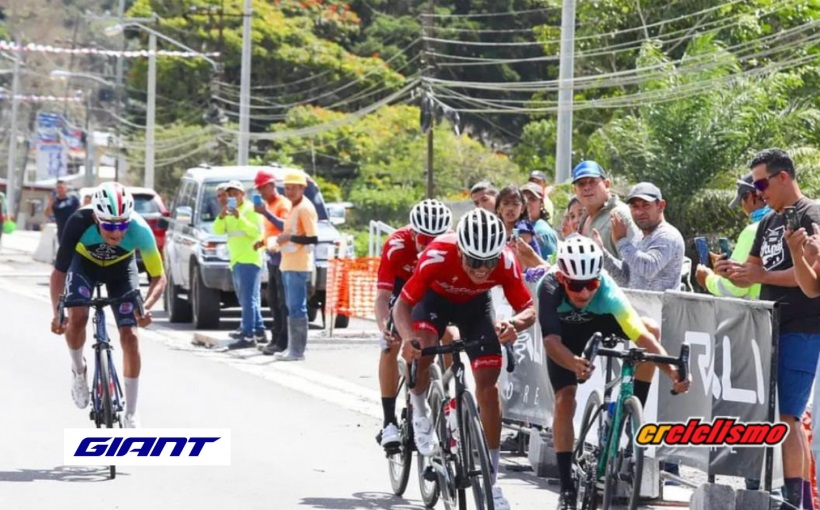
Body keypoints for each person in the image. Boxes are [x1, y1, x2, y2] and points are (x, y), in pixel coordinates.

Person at [393, 208, 536, 510]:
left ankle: (492, 480)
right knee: (424, 346)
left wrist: (515, 324)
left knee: (488, 383)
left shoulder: (506, 261)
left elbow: (528, 308)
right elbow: (402, 306)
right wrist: (408, 339)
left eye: (488, 262)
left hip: (475, 309)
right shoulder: (437, 255)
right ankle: (419, 407)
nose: (482, 270)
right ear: (460, 251)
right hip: (434, 303)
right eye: (474, 261)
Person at [539, 236, 690, 509]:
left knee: (650, 330)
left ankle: (632, 409)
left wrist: (672, 372)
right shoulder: (548, 286)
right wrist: (573, 363)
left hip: (600, 323)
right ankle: (567, 488)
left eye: (591, 284)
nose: (584, 293)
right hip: (564, 339)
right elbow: (550, 342)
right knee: (565, 401)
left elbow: (641, 335)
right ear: (562, 278)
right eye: (576, 285)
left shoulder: (606, 289)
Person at [727, 148, 820, 510]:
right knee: (766, 414)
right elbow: (750, 271)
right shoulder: (767, 222)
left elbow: (808, 279)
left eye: (762, 182)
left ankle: (798, 500)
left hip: (802, 326)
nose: (758, 190)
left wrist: (762, 274)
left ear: (784, 177)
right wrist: (729, 271)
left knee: (789, 415)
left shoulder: (812, 214)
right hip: (766, 326)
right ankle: (778, 491)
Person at [49, 182, 166, 428]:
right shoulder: (78, 222)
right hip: (85, 267)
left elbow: (159, 277)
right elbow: (59, 273)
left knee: (131, 337)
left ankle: (131, 413)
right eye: (110, 225)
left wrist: (146, 307)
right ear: (95, 217)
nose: (117, 233)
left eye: (122, 224)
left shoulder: (140, 229)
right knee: (77, 317)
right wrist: (57, 313)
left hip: (121, 271)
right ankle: (78, 370)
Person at [374, 199, 453, 449]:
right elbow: (384, 297)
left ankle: (448, 396)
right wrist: (383, 324)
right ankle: (388, 422)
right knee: (391, 342)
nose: (429, 245)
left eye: (435, 239)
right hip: (403, 292)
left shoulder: (452, 245)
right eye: (423, 238)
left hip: (432, 292)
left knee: (451, 336)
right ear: (412, 232)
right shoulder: (397, 244)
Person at [592, 182, 685, 292]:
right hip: (638, 308)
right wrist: (601, 253)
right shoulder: (638, 237)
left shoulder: (668, 235)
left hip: (662, 309)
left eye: (646, 205)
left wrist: (621, 241)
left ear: (661, 206)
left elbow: (648, 268)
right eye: (634, 206)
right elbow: (625, 278)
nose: (639, 212)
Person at [696, 173, 769, 299]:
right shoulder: (790, 223)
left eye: (742, 202)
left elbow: (735, 289)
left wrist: (707, 279)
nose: (743, 208)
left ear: (751, 197)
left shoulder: (753, 231)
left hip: (760, 314)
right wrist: (727, 267)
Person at [214, 180, 266, 350]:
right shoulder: (228, 211)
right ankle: (258, 330)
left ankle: (248, 334)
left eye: (236, 193)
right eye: (230, 194)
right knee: (248, 298)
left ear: (243, 194)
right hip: (236, 259)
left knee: (248, 299)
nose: (233, 197)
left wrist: (239, 217)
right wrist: (221, 216)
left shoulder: (251, 209)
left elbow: (256, 232)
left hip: (249, 258)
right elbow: (218, 230)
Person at [275, 170, 319, 362]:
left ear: (303, 188)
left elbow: (313, 238)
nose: (290, 191)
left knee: (297, 307)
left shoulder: (305, 208)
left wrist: (289, 237)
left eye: (294, 188)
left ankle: (297, 351)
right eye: (287, 188)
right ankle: (292, 348)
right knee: (290, 306)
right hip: (288, 262)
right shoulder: (293, 207)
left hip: (299, 264)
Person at [573, 161, 640, 285]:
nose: (587, 187)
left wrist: (601, 253)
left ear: (607, 184)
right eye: (581, 184)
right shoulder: (584, 216)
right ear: (575, 190)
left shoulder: (621, 215)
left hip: (617, 299)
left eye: (592, 181)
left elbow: (634, 272)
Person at [252, 170, 293, 356]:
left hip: (284, 258)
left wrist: (266, 213)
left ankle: (283, 341)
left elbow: (285, 227)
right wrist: (261, 242)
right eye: (258, 189)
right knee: (274, 300)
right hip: (273, 258)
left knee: (282, 301)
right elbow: (271, 232)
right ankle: (276, 339)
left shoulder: (282, 204)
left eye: (262, 188)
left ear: (271, 185)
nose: (260, 192)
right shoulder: (269, 205)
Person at [522, 182, 558, 259]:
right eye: (523, 199)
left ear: (541, 203)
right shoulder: (520, 227)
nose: (527, 202)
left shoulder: (543, 232)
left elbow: (550, 265)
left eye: (532, 199)